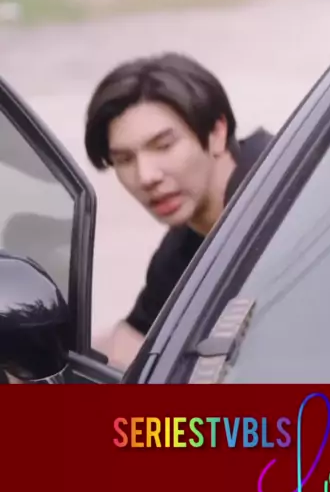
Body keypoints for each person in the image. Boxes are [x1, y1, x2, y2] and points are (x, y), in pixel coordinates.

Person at [84, 53, 272, 369]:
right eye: (124, 160)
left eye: (163, 146)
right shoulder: (181, 248)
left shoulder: (284, 196)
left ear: (217, 133)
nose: (145, 176)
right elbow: (128, 344)